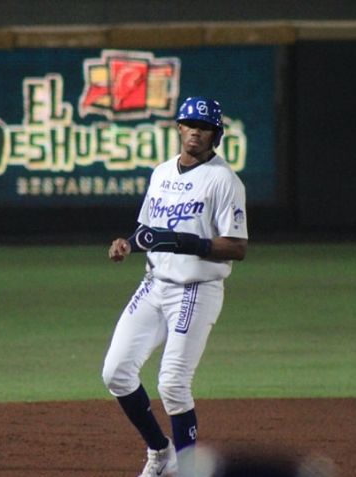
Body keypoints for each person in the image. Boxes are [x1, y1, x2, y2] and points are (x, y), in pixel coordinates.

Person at [102, 96, 248, 477]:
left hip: (196, 288)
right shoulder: (162, 173)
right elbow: (149, 230)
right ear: (179, 128)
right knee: (115, 372)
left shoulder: (224, 180)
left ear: (215, 134)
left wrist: (188, 243)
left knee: (172, 384)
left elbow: (237, 247)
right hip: (154, 285)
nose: (196, 132)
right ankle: (160, 452)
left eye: (204, 127)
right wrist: (128, 244)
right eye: (190, 124)